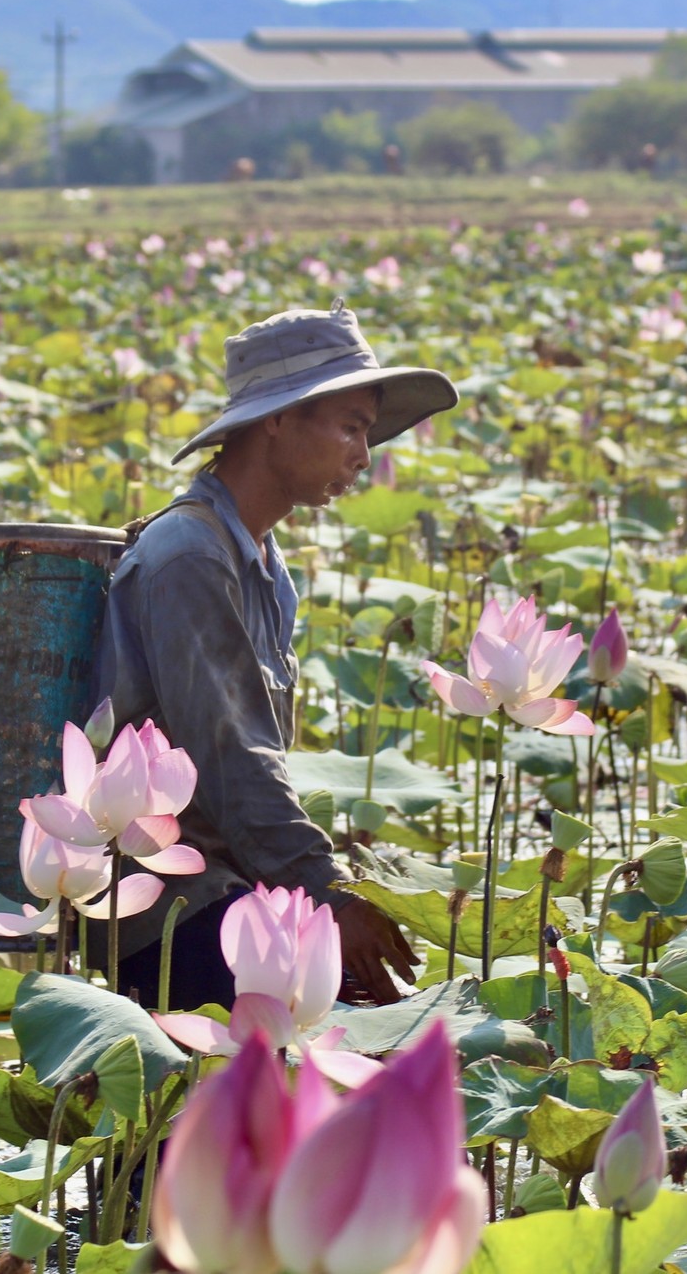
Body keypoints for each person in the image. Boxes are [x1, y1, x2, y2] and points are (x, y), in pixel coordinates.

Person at [91, 301, 457, 1009]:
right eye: (351, 426)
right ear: (277, 419)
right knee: (361, 1033)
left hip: (238, 884)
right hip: (168, 904)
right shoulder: (188, 556)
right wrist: (327, 895)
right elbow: (232, 760)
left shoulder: (263, 561)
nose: (364, 455)